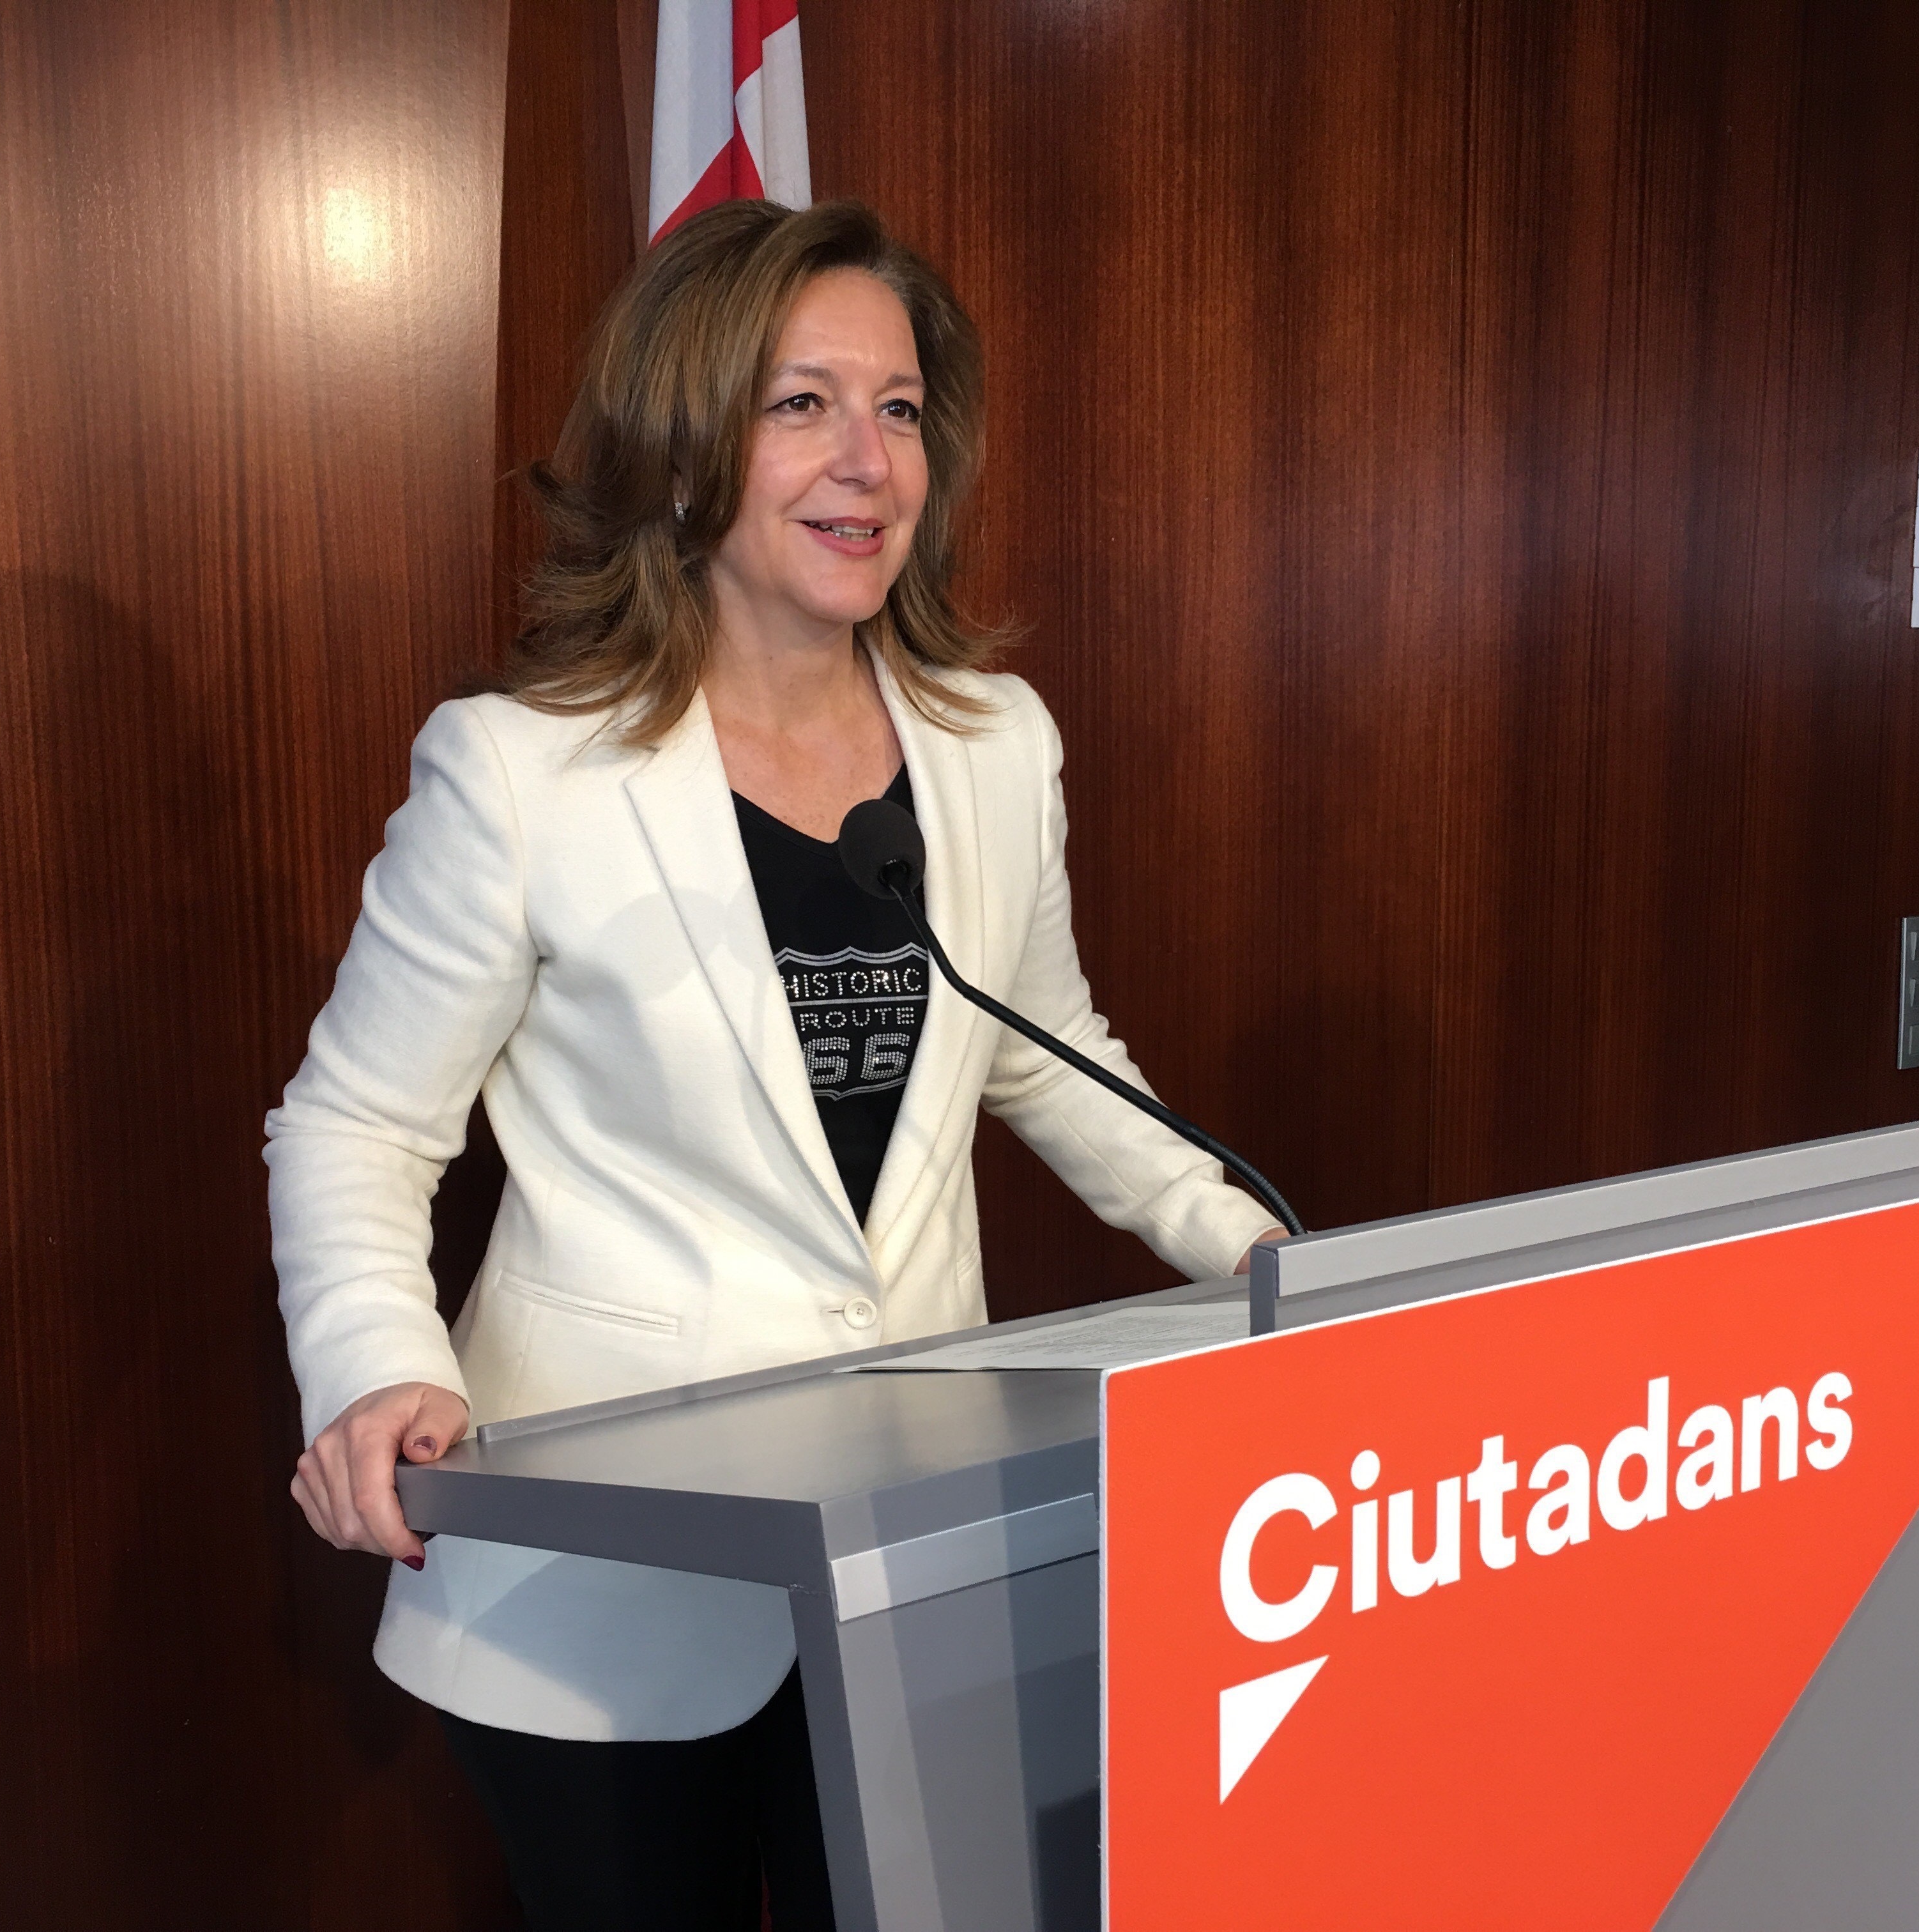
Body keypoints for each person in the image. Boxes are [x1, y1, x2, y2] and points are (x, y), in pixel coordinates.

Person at [265, 197, 1283, 1929]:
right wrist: (373, 1369)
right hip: (599, 1573)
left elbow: (1048, 1057)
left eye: (898, 409)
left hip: (915, 1548)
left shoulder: (993, 741)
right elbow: (356, 1123)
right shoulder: (521, 772)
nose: (867, 461)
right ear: (684, 441)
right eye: (801, 404)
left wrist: (1259, 1258)